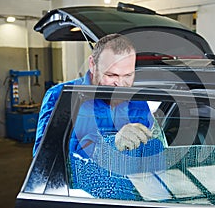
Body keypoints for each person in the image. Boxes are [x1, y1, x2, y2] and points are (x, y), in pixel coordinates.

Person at [33, 33, 164, 157]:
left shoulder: (138, 102)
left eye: (128, 75)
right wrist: (109, 144)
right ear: (92, 64)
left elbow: (151, 156)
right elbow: (44, 157)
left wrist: (154, 143)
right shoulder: (59, 97)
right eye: (111, 75)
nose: (120, 84)